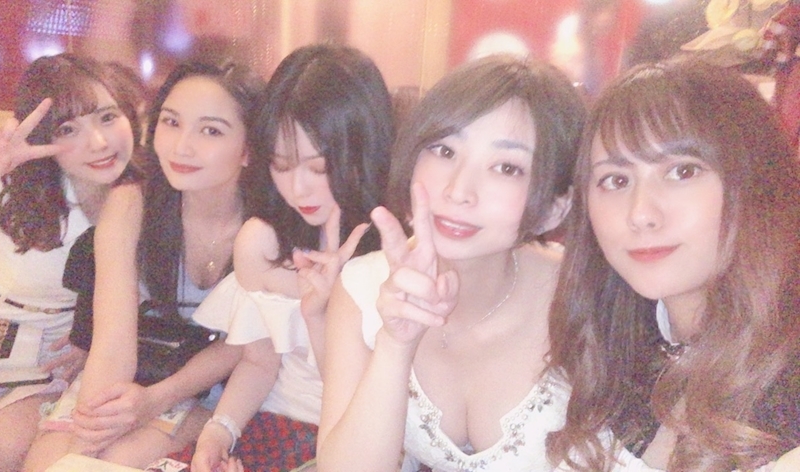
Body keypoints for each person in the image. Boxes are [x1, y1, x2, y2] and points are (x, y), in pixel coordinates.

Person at [316, 54, 586, 471]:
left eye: (506, 167)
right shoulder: (362, 289)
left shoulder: (583, 295)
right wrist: (396, 344)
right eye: (444, 150)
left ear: (555, 207)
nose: (459, 190)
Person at [546, 60, 800, 471]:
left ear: (755, 180)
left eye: (682, 171)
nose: (641, 214)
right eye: (615, 180)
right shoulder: (612, 341)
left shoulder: (785, 378)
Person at [24, 59, 264, 470]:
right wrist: (88, 439)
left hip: (219, 392)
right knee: (51, 462)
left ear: (249, 148)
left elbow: (249, 345)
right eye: (171, 122)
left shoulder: (267, 225)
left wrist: (156, 400)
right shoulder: (131, 200)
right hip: (134, 374)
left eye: (210, 131)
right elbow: (112, 340)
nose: (182, 146)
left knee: (122, 459)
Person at [190, 43, 394, 472]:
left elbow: (369, 408)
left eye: (318, 169)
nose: (298, 189)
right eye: (281, 165)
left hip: (362, 445)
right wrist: (219, 432)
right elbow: (260, 362)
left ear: (365, 151)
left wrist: (328, 310)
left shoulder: (396, 252)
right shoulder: (264, 243)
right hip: (273, 427)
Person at [0, 53, 141, 472]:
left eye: (107, 117)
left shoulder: (145, 194)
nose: (99, 142)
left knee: (3, 448)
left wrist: (86, 337)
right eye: (68, 129)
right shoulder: (13, 174)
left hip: (46, 355)